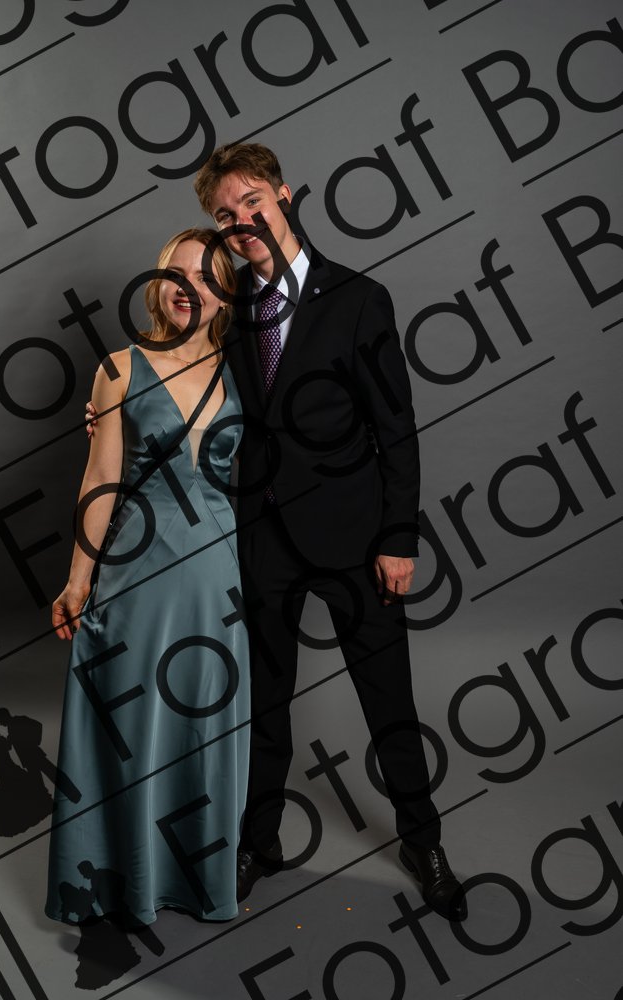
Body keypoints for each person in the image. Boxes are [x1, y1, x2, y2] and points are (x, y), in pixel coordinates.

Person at [88, 146, 467, 921]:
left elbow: (396, 428)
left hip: (357, 539)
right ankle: (258, 843)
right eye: (224, 215)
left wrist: (399, 537)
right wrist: (111, 411)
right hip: (260, 538)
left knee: (388, 699)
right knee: (264, 705)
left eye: (252, 201)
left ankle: (424, 842)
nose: (242, 221)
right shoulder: (227, 309)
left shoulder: (359, 299)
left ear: (284, 196)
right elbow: (182, 378)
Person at [46, 228, 250, 926]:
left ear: (226, 293)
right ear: (159, 286)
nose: (190, 289)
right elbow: (100, 479)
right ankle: (125, 883)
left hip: (216, 578)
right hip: (137, 573)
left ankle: (198, 880)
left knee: (202, 727)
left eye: (208, 277)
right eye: (177, 275)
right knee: (132, 726)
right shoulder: (120, 366)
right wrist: (77, 582)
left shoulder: (246, 371)